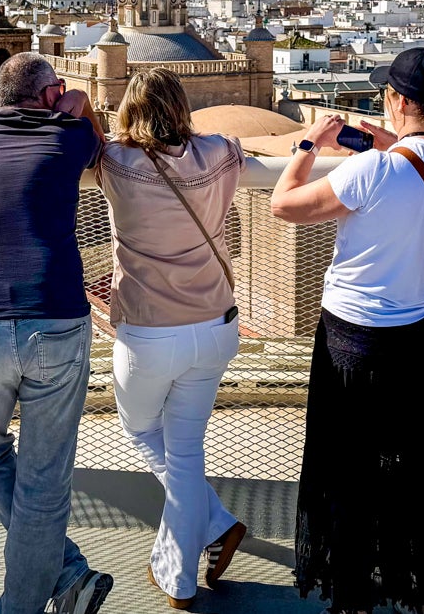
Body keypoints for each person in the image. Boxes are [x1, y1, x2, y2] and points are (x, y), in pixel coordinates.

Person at [271, 47, 424, 614]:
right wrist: (394, 143)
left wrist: (308, 145)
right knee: (420, 467)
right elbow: (421, 177)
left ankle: (353, 596)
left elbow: (285, 205)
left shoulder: (372, 169)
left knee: (348, 470)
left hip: (358, 342)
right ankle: (418, 591)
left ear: (394, 100)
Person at [0, 52, 114, 614]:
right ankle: (44, 589)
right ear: (52, 92)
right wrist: (80, 107)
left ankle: (64, 575)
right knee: (44, 479)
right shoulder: (70, 136)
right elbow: (101, 145)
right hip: (56, 318)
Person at [96, 68, 249, 609]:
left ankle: (183, 573)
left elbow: (87, 129)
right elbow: (227, 144)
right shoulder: (218, 155)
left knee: (143, 433)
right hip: (215, 328)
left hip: (148, 335)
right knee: (184, 451)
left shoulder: (115, 162)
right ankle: (213, 527)